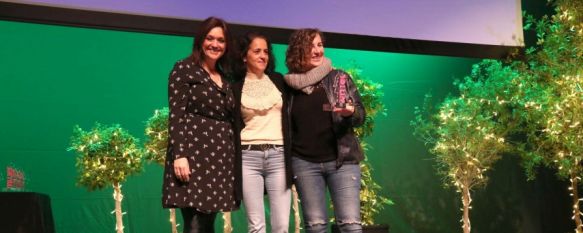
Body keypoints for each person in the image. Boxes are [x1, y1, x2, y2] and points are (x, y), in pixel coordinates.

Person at [161, 16, 240, 233]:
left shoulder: (225, 76)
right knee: (195, 224)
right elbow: (176, 115)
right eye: (210, 38)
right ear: (200, 40)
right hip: (193, 155)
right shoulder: (184, 68)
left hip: (219, 157)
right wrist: (180, 155)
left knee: (208, 224)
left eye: (221, 40)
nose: (215, 44)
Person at [284, 28, 366, 233]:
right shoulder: (288, 87)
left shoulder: (339, 78)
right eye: (310, 46)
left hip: (342, 161)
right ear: (297, 51)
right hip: (304, 164)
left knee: (351, 226)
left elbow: (361, 116)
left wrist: (350, 112)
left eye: (320, 45)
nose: (317, 50)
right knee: (315, 227)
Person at [232, 32, 292, 233]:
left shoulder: (278, 80)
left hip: (279, 156)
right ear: (244, 56)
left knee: (282, 226)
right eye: (256, 51)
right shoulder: (235, 87)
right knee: (256, 226)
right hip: (248, 157)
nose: (262, 56)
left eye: (266, 51)